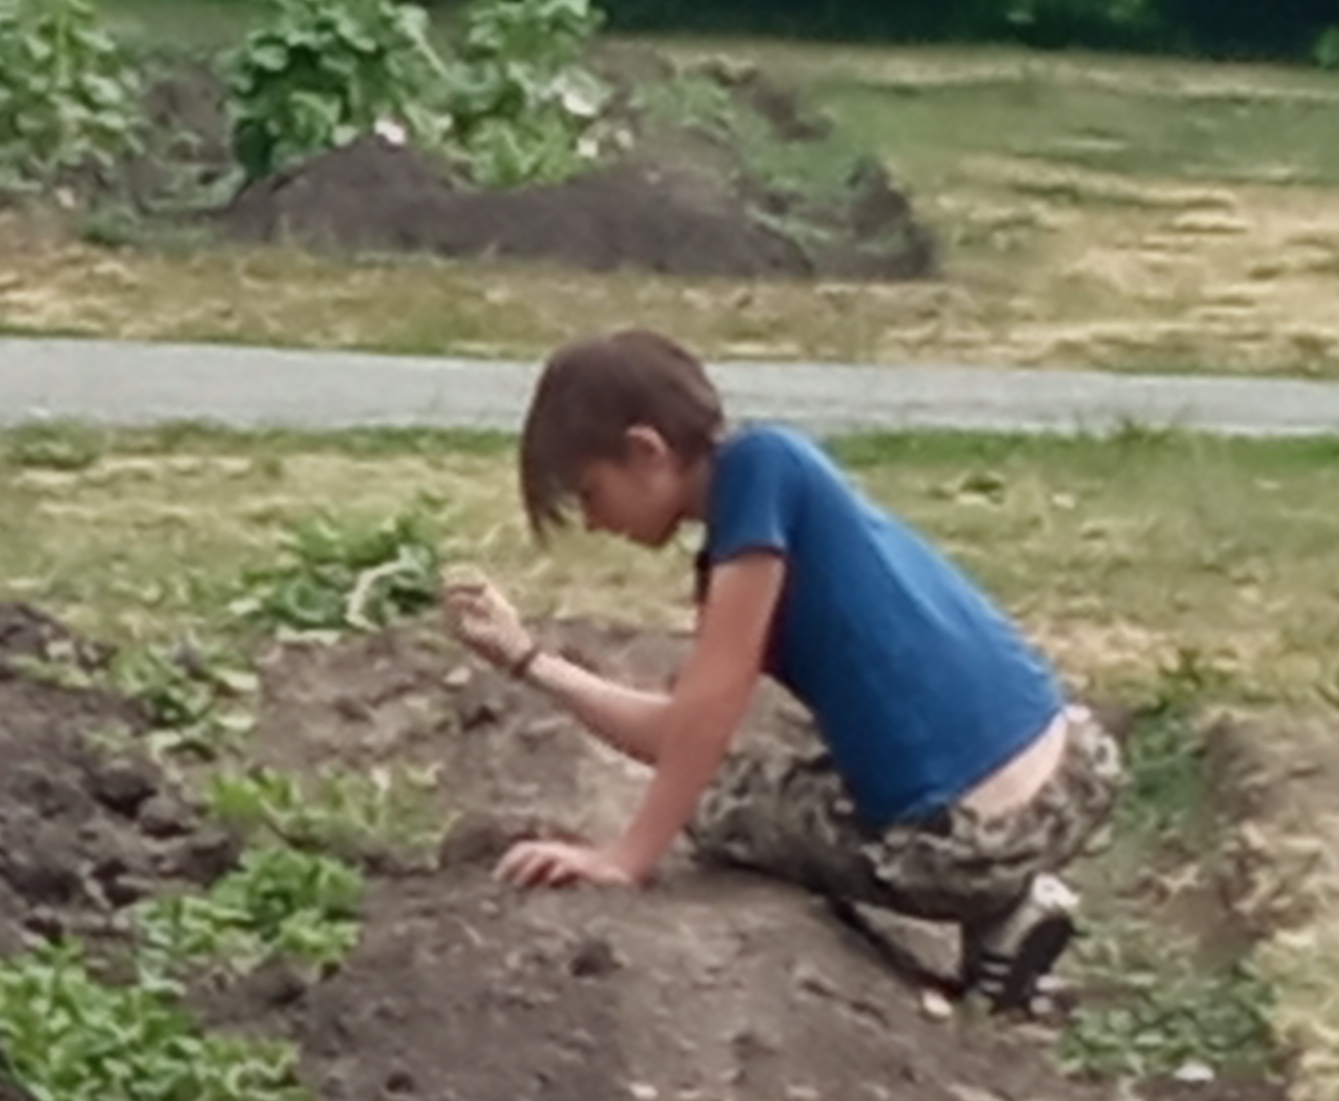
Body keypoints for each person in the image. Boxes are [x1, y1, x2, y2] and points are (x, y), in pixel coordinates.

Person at [443, 328, 1119, 1016]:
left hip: (971, 845)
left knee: (722, 809)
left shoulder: (756, 480)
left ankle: (1002, 901)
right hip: (1077, 762)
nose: (592, 522)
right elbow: (679, 734)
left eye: (590, 493)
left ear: (646, 452)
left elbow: (702, 727)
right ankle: (1005, 930)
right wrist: (528, 660)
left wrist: (628, 858)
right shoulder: (781, 480)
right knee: (802, 774)